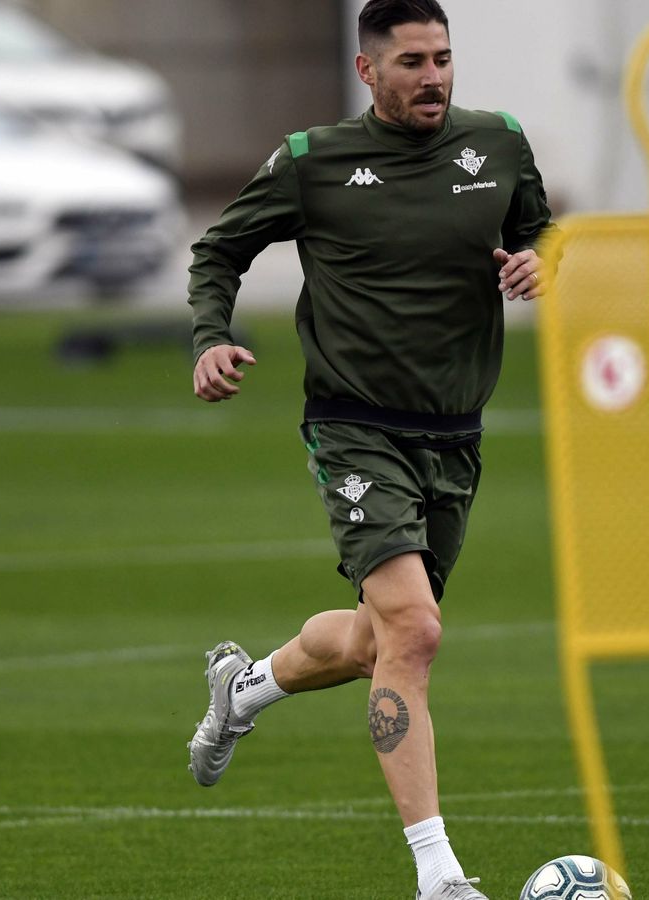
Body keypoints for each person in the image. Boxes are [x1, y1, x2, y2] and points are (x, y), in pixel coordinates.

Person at [183, 2, 551, 897]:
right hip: (355, 428)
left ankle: (248, 687)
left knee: (373, 641)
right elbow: (218, 250)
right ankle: (440, 876)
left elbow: (542, 230)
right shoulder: (314, 161)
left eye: (444, 58)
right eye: (414, 62)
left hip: (455, 436)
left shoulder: (498, 145)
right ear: (368, 71)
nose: (434, 76)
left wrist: (545, 261)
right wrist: (209, 337)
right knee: (416, 632)